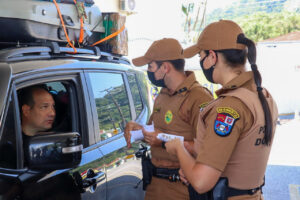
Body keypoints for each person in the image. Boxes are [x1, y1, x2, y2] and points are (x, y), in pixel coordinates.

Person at [165, 20, 278, 200]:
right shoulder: (263, 96)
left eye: (200, 56)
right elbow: (239, 156)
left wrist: (179, 148)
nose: (201, 62)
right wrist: (191, 164)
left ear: (212, 57)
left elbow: (202, 183)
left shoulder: (228, 108)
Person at [124, 38, 213, 200]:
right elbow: (154, 133)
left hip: (182, 187)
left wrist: (163, 139)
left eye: (150, 66)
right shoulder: (163, 94)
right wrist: (139, 130)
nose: (148, 72)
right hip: (155, 184)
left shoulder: (199, 97)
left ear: (165, 67)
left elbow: (207, 149)